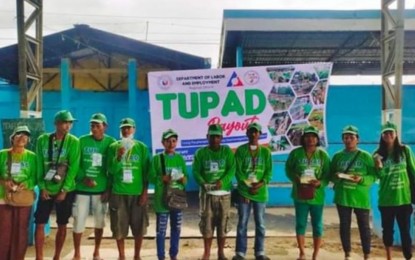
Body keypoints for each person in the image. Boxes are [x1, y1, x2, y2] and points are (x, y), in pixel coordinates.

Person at [34, 110, 80, 260]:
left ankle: (56, 256)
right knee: (40, 222)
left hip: (64, 189)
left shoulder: (73, 141)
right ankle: (39, 257)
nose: (68, 125)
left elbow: (73, 167)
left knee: (62, 223)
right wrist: (42, 187)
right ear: (56, 123)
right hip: (46, 189)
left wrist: (65, 190)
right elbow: (39, 165)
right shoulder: (42, 139)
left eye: (70, 122)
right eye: (64, 122)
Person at [72, 113, 116, 260]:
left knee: (99, 221)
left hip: (101, 190)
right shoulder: (81, 141)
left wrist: (108, 189)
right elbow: (74, 164)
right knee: (78, 221)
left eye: (97, 126)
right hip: (81, 189)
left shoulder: (111, 143)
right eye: (92, 125)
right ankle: (77, 253)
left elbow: (112, 168)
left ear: (105, 126)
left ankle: (96, 252)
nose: (94, 128)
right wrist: (83, 177)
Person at [330, 125, 376, 260]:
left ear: (357, 139)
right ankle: (347, 254)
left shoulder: (365, 156)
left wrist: (361, 179)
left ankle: (367, 254)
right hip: (342, 197)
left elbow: (373, 176)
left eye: (351, 137)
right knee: (344, 226)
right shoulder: (338, 156)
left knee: (364, 227)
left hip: (360, 198)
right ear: (343, 140)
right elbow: (331, 174)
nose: (348, 140)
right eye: (346, 137)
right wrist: (337, 177)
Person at [107, 117, 150, 260]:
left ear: (134, 130)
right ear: (120, 131)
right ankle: (122, 255)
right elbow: (111, 171)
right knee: (119, 227)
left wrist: (144, 193)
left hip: (137, 193)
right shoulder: (113, 147)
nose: (126, 130)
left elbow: (146, 173)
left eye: (129, 128)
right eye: (123, 128)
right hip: (118, 193)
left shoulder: (141, 148)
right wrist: (118, 158)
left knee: (139, 227)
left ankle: (137, 255)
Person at [285, 125, 330, 260]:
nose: (310, 139)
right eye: (307, 136)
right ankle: (302, 253)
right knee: (300, 223)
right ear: (303, 139)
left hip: (317, 196)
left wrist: (320, 183)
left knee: (317, 225)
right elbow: (288, 169)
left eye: (313, 137)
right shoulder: (295, 153)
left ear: (317, 139)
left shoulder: (323, 155)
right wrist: (295, 178)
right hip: (300, 195)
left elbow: (328, 175)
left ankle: (315, 255)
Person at [192, 124, 236, 260]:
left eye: (217, 136)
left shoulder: (227, 152)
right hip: (207, 196)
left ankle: (221, 253)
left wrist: (222, 182)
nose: (215, 139)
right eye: (212, 136)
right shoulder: (201, 153)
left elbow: (231, 170)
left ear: (221, 137)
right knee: (207, 224)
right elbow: (196, 171)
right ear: (207, 137)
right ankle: (207, 253)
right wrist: (203, 183)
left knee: (223, 224)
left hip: (224, 195)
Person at [374, 121, 415, 260]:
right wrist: (378, 165)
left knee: (405, 232)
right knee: (388, 232)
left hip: (403, 198)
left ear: (396, 134)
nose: (388, 135)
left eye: (391, 132)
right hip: (386, 200)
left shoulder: (405, 150)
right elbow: (377, 176)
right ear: (382, 136)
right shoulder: (377, 154)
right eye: (385, 133)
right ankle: (389, 257)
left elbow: (413, 171)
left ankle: (408, 257)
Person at [232, 122, 272, 260]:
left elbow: (268, 172)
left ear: (260, 134)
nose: (253, 134)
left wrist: (260, 184)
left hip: (260, 193)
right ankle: (240, 252)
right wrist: (247, 187)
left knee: (260, 223)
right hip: (244, 192)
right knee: (242, 222)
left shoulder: (266, 152)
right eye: (251, 131)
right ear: (247, 134)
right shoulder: (241, 150)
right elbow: (238, 171)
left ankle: (259, 252)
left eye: (256, 132)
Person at [0, 125, 37, 260]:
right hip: (3, 197)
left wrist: (26, 184)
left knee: (21, 231)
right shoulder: (2, 154)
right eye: (19, 135)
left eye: (25, 136)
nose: (22, 138)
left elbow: (35, 177)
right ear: (12, 138)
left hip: (23, 197)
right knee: (4, 231)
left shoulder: (32, 157)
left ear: (28, 140)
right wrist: (4, 182)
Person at [150, 129, 187, 260]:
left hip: (177, 199)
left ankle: (174, 255)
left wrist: (183, 180)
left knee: (176, 229)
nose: (171, 143)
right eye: (168, 141)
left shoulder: (180, 159)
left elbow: (185, 178)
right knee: (161, 231)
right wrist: (161, 178)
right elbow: (150, 177)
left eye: (173, 141)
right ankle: (161, 256)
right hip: (162, 200)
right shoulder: (157, 159)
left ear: (176, 142)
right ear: (162, 143)